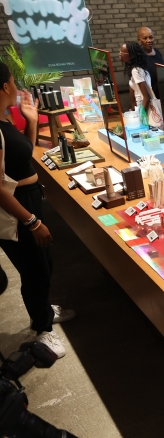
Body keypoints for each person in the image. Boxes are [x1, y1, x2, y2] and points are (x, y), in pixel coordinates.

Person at [0, 62, 75, 358]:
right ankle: (43, 330)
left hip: (28, 200)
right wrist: (31, 221)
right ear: (5, 87)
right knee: (34, 270)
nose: (17, 88)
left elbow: (21, 159)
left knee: (43, 263)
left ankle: (43, 310)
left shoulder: (5, 120)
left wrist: (31, 121)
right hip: (17, 210)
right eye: (13, 82)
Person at [119, 41, 153, 116]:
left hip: (144, 107)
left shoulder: (136, 71)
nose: (119, 54)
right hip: (140, 106)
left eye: (122, 52)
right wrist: (133, 107)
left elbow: (146, 97)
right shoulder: (134, 69)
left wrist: (141, 117)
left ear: (131, 55)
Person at [137, 26, 164, 97]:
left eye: (151, 37)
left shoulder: (157, 52)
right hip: (150, 96)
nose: (149, 40)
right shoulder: (138, 57)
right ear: (139, 40)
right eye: (145, 38)